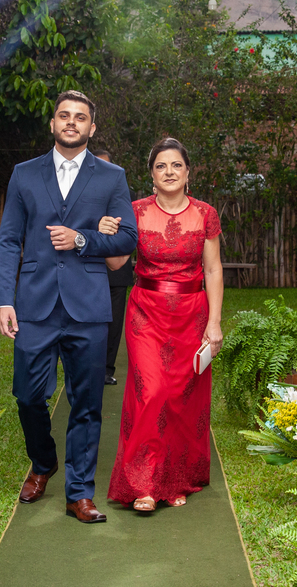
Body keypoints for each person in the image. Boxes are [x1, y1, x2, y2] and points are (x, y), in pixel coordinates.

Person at [0, 90, 138, 524]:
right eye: (64, 115)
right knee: (27, 395)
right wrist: (4, 299)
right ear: (52, 124)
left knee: (87, 402)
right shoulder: (23, 174)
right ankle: (42, 463)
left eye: (80, 117)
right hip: (35, 303)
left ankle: (79, 491)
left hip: (89, 305)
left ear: (92, 128)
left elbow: (128, 240)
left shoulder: (112, 177)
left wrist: (83, 239)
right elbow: (8, 241)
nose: (71, 122)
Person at [103, 137, 224, 511]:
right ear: (151, 175)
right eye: (161, 166)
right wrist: (107, 235)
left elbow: (213, 269)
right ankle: (143, 484)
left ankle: (177, 479)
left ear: (188, 173)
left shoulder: (205, 214)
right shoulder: (135, 211)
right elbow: (116, 265)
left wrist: (215, 324)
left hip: (192, 313)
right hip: (146, 313)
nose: (169, 172)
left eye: (176, 166)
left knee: (180, 398)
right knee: (151, 392)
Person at [91, 148, 136, 386]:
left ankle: (107, 370)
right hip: (88, 269)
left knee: (114, 322)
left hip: (117, 271)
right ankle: (89, 368)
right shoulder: (82, 194)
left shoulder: (123, 193)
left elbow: (129, 230)